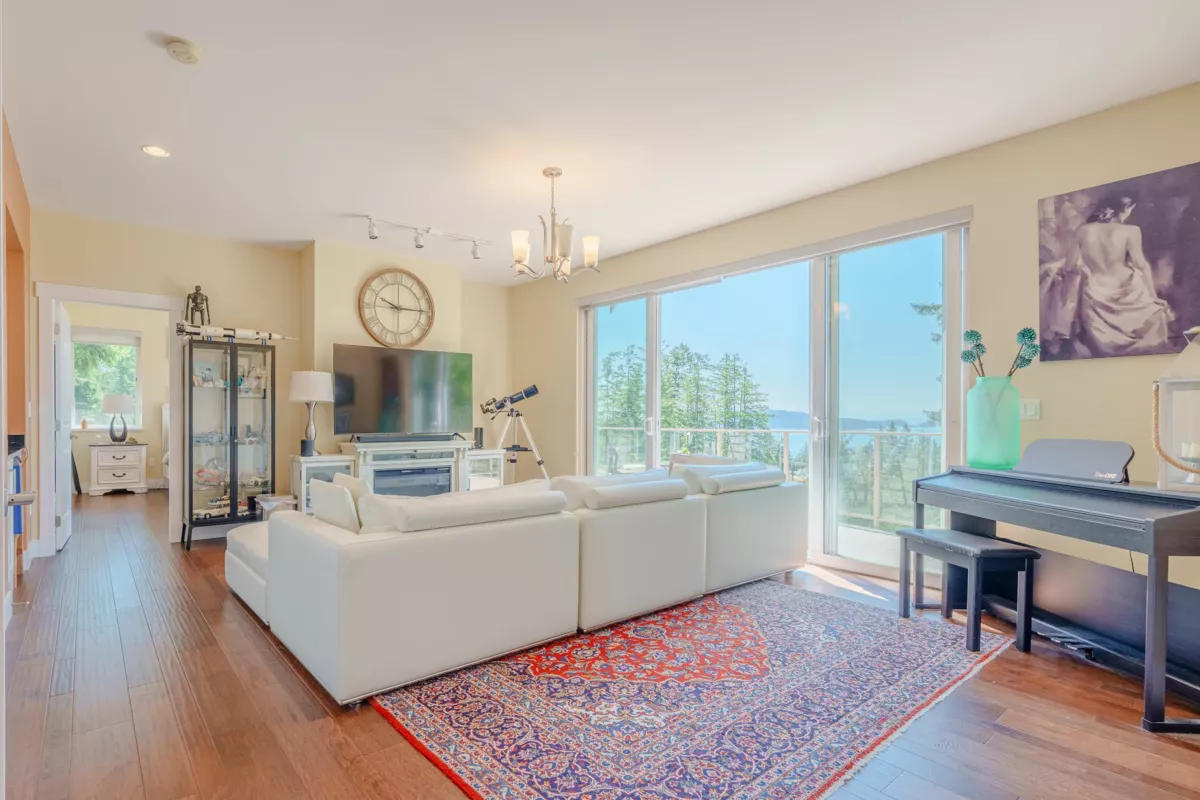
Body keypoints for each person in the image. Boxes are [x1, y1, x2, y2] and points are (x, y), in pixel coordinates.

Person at [1062, 194, 1173, 357]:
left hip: (1094, 294)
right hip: (1128, 292)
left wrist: (1082, 271)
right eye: (1130, 210)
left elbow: (1069, 266)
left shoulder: (1082, 230)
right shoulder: (1131, 231)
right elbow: (1140, 264)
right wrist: (1152, 296)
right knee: (1153, 325)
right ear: (1125, 209)